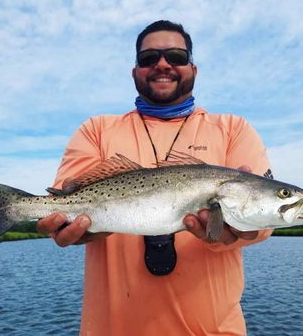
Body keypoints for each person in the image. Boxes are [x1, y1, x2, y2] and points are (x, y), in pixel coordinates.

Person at [37, 20, 272, 335]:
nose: (163, 64)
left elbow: (264, 221)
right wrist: (70, 228)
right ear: (135, 71)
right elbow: (65, 206)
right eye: (149, 59)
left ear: (194, 68)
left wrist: (246, 231)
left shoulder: (233, 129)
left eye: (176, 56)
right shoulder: (96, 130)